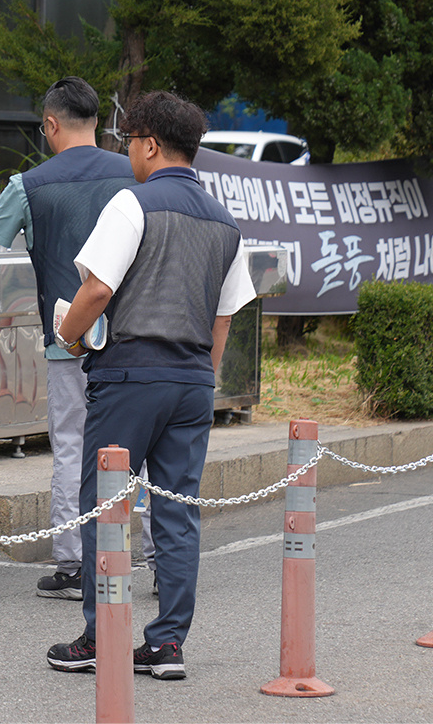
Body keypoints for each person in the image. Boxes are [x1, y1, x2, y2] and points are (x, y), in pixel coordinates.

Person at [46, 90, 254, 681]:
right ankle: (167, 645)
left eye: (132, 142)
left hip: (130, 376)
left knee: (104, 505)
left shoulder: (131, 204)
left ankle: (100, 636)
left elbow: (96, 289)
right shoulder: (225, 222)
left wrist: (68, 336)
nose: (130, 152)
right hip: (193, 382)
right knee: (177, 512)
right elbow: (222, 320)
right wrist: (202, 377)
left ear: (152, 145)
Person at [0, 77, 143, 602]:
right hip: (132, 338)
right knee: (133, 447)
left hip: (68, 341)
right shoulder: (134, 175)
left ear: (51, 124)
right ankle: (142, 553)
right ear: (95, 121)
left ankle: (74, 565)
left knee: (72, 447)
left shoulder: (29, 184)